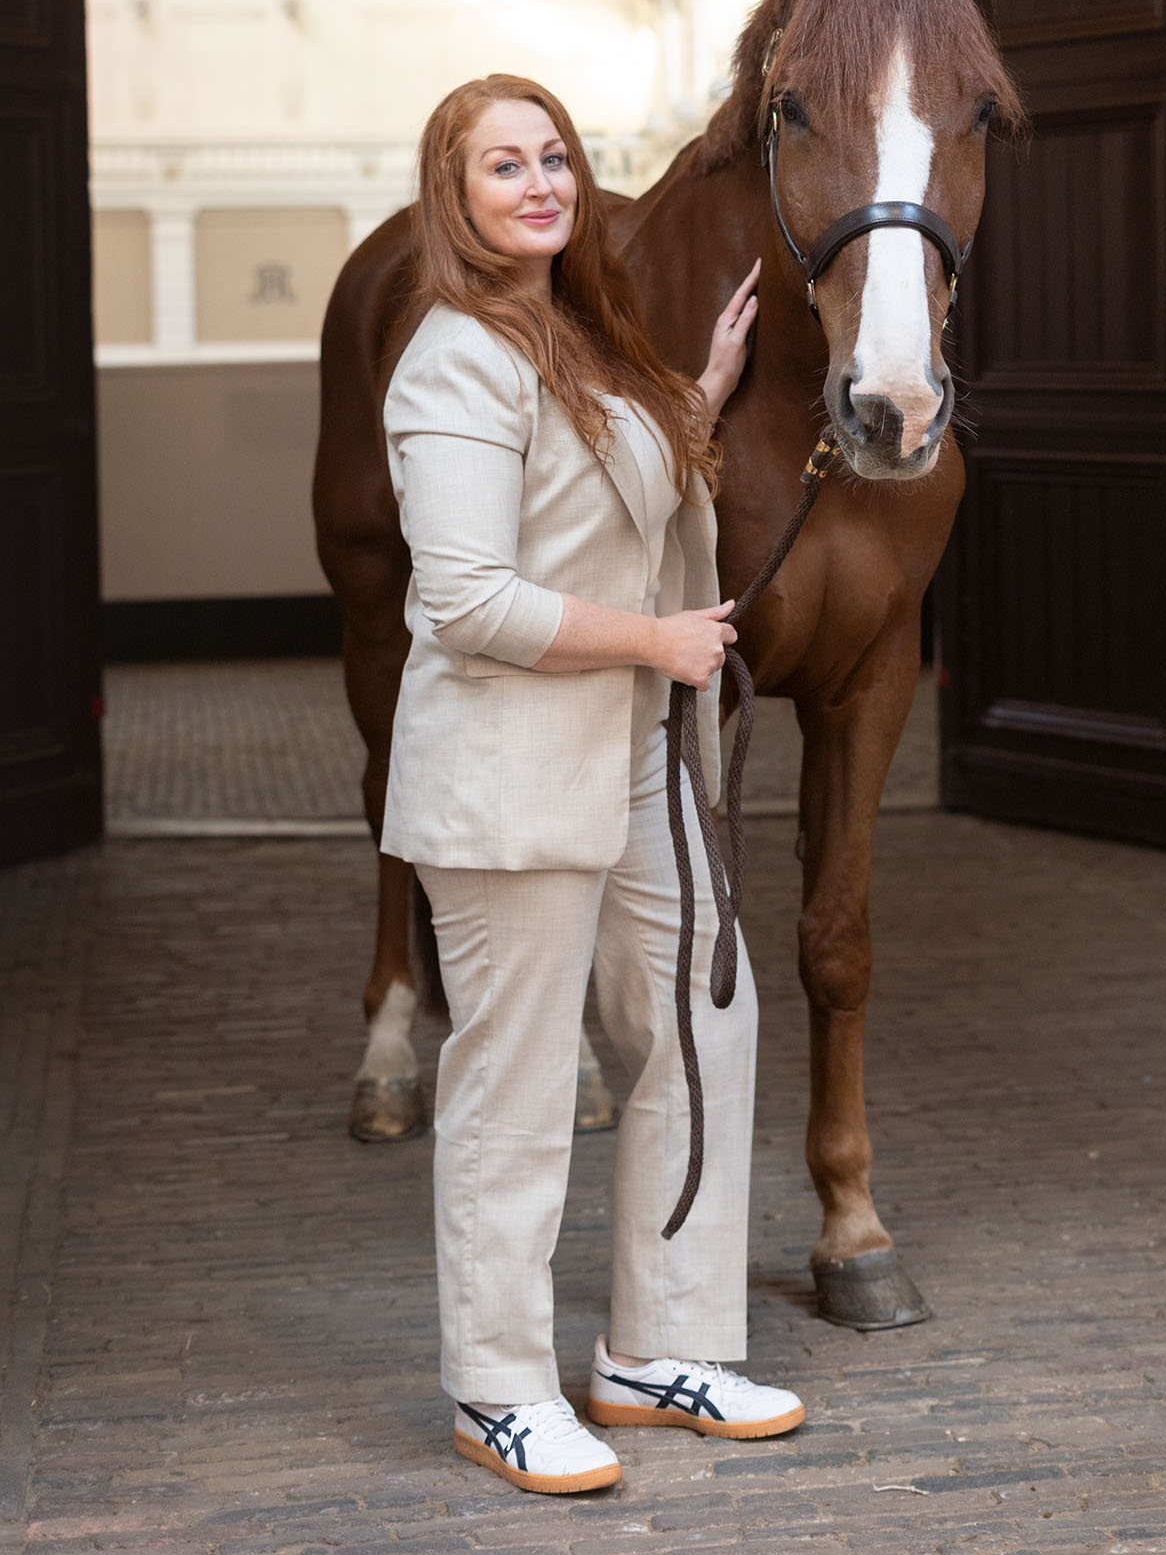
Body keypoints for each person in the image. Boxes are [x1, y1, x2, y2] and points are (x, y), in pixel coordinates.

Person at [381, 72, 805, 1497]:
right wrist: (656, 640)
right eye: (502, 165)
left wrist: (704, 397)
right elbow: (466, 600)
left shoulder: (577, 336)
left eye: (553, 156)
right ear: (454, 195)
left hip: (631, 757)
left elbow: (605, 484)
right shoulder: (452, 359)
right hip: (508, 776)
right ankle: (498, 1388)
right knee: (512, 1089)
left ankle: (660, 1349)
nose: (539, 183)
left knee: (702, 1024)